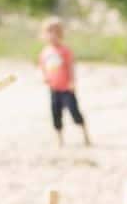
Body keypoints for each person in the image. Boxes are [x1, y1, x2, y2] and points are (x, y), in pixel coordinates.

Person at [38, 17, 91, 147]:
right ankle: (59, 140)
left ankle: (85, 135)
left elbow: (70, 67)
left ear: (60, 34)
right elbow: (43, 67)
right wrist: (44, 77)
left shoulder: (65, 51)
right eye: (49, 32)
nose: (52, 36)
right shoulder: (45, 52)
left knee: (74, 112)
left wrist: (73, 82)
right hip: (54, 88)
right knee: (56, 114)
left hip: (67, 88)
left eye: (55, 32)